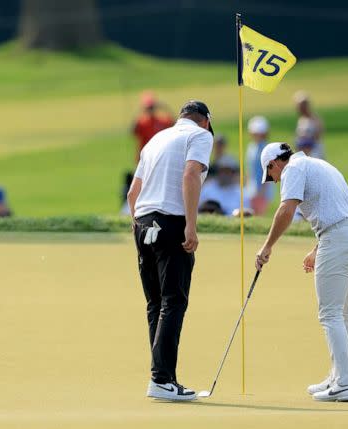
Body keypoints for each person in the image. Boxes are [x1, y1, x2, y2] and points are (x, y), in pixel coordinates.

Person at [255, 143, 348, 402]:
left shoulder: (292, 169)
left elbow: (286, 209)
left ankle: (344, 383)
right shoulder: (318, 164)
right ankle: (339, 376)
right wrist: (318, 248)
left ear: (274, 164)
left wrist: (267, 247)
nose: (274, 181)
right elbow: (339, 213)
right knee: (343, 312)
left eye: (270, 175)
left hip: (339, 240)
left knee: (330, 313)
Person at [126, 100, 214, 401]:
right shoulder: (201, 136)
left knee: (156, 304)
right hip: (171, 222)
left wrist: (136, 224)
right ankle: (162, 379)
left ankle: (161, 378)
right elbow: (191, 175)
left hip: (143, 223)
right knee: (173, 301)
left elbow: (132, 192)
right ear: (205, 121)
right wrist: (191, 225)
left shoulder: (156, 138)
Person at [132, 91, 174, 161]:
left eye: (152, 107)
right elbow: (133, 131)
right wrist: (140, 112)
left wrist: (166, 108)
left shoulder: (162, 121)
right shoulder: (141, 122)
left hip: (159, 156)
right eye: (148, 108)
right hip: (144, 158)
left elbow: (175, 125)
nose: (150, 110)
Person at [245, 116, 274, 215]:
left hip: (263, 191)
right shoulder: (251, 147)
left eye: (259, 133)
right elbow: (249, 168)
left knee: (259, 215)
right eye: (255, 133)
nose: (257, 135)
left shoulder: (266, 149)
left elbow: (269, 172)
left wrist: (262, 192)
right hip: (251, 189)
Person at [294, 91, 325, 159]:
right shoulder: (301, 120)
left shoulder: (315, 120)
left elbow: (317, 136)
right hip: (304, 155)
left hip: (314, 154)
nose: (299, 109)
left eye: (301, 106)